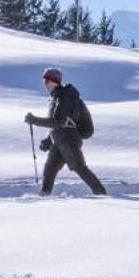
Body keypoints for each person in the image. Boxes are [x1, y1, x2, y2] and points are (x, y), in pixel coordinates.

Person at [24, 67, 106, 196]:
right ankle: (44, 195)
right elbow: (58, 125)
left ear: (53, 81)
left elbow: (58, 121)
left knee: (79, 168)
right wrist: (49, 140)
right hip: (59, 141)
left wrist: (34, 120)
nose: (44, 84)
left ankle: (101, 193)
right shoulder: (57, 98)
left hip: (69, 140)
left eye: (46, 81)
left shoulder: (65, 97)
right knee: (49, 169)